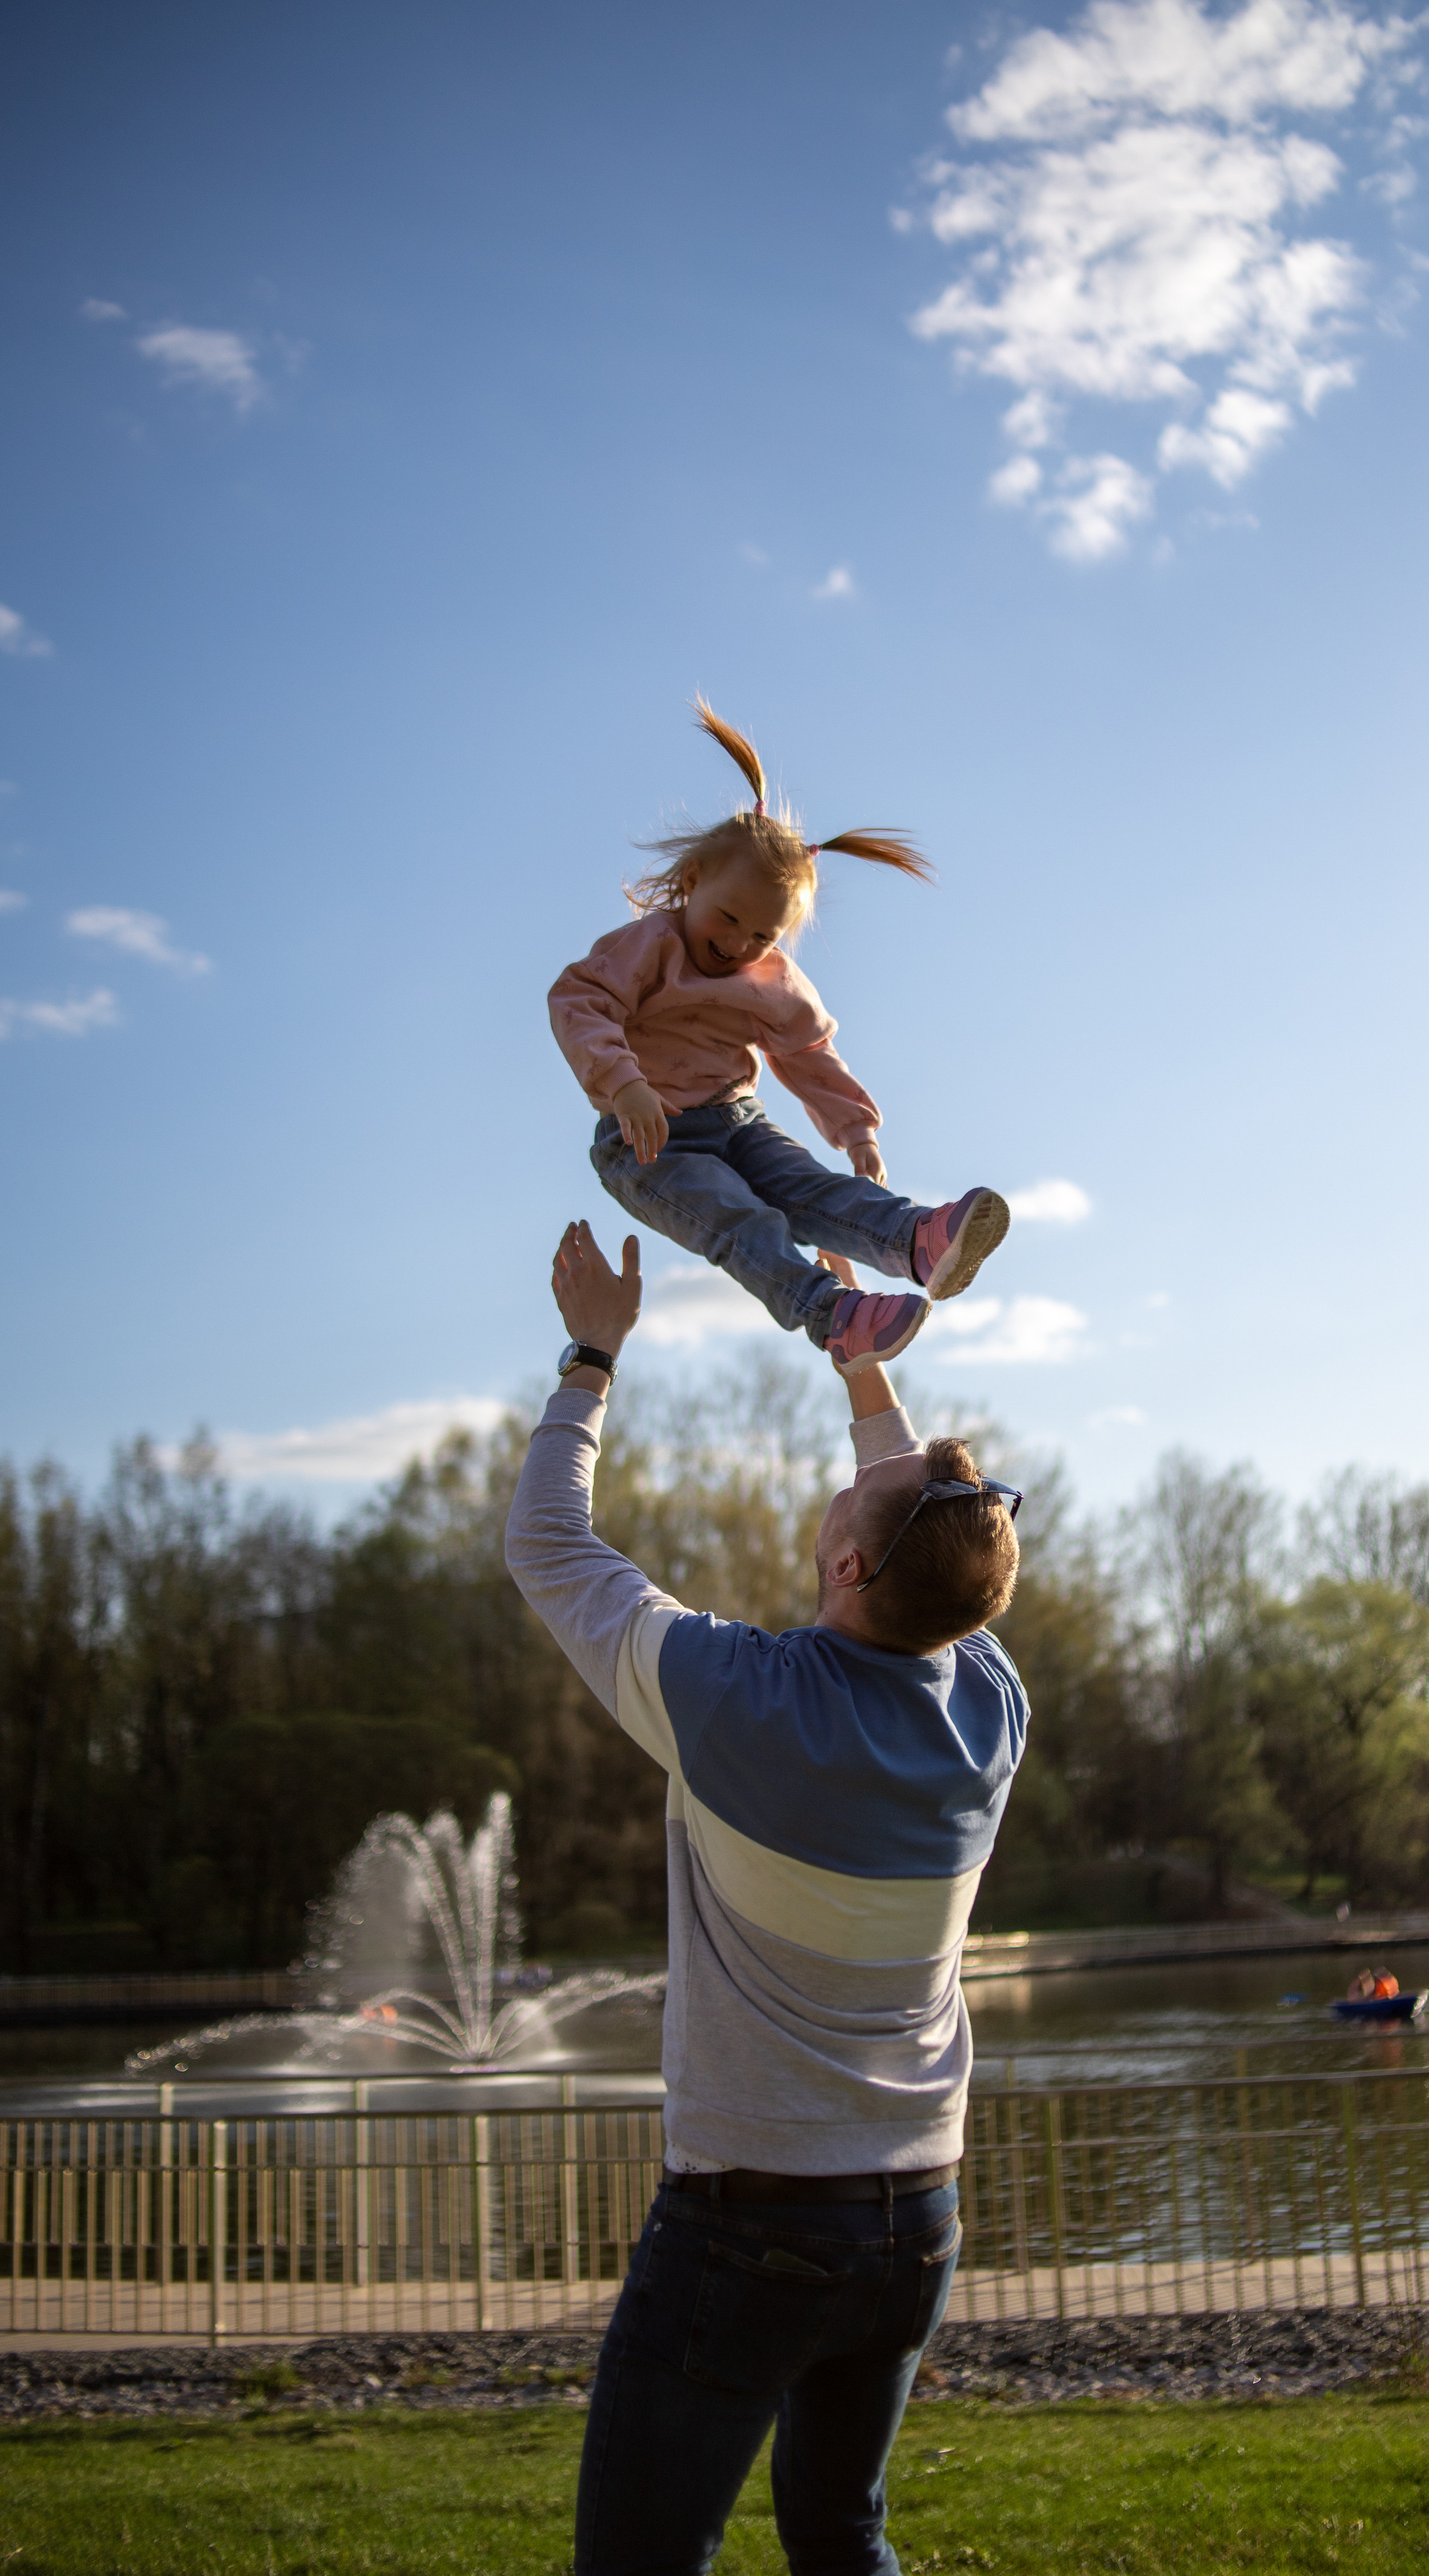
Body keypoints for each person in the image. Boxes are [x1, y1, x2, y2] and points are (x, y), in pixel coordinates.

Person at [505, 1220, 1029, 2575]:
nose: (852, 1484)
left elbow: (550, 1546)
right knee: (838, 2535)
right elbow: (924, 1544)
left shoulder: (735, 1702)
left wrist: (590, 1355)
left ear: (849, 1567)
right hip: (914, 2213)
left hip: (752, 2224)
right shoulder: (985, 1706)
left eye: (859, 1498)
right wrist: (863, 1376)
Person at [548, 700, 1010, 1376]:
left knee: (812, 1189)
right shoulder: (649, 944)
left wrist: (857, 1132)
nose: (738, 944)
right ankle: (836, 1317)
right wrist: (624, 1083)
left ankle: (918, 1240)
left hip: (737, 1120)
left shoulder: (771, 978)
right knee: (742, 1220)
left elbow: (808, 1053)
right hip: (648, 1142)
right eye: (728, 919)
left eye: (761, 935)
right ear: (692, 882)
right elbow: (579, 1000)